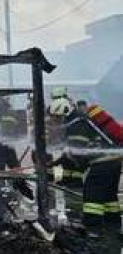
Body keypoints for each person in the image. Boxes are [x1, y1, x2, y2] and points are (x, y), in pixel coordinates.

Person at [49, 93, 123, 236]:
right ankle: (113, 224)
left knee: (92, 193)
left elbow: (78, 152)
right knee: (109, 196)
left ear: (64, 112)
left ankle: (92, 228)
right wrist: (59, 160)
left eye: (57, 117)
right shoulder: (82, 120)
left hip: (102, 162)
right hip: (114, 161)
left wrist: (66, 161)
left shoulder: (75, 125)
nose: (57, 121)